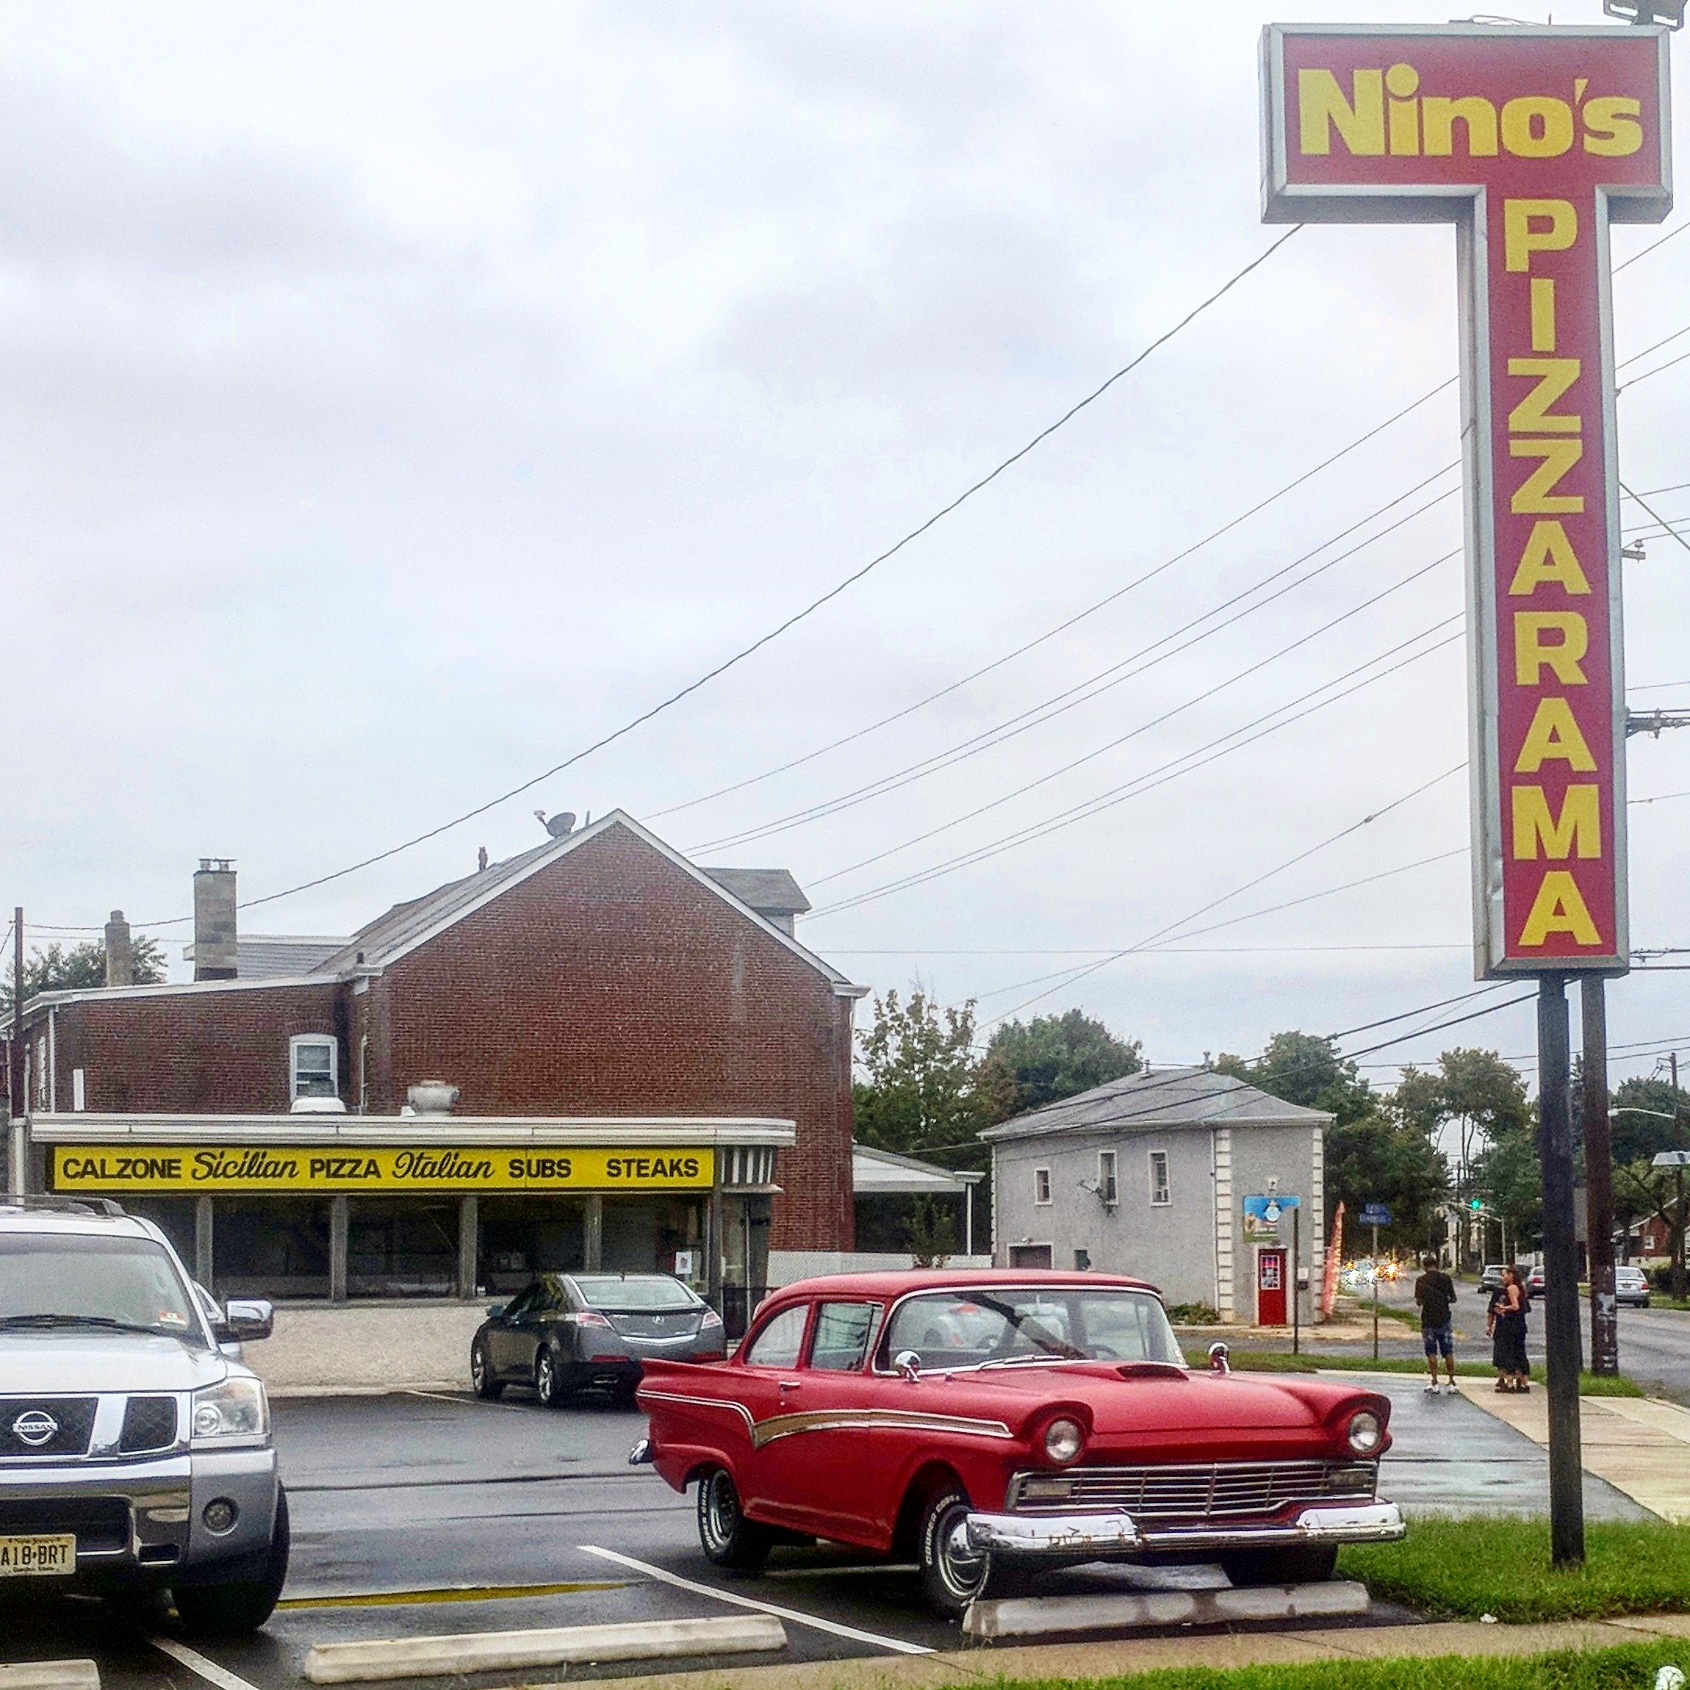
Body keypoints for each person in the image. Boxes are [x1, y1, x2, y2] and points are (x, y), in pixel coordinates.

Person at [1414, 1252, 1458, 1394]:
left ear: (1424, 1266)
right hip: (1444, 1319)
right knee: (1448, 1351)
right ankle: (1451, 1381)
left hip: (1428, 1320)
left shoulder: (1421, 1281)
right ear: (1436, 1265)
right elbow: (1453, 1298)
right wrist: (1443, 1300)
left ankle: (1434, 1381)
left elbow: (1418, 1301)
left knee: (1431, 1352)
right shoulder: (1446, 1279)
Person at [1488, 1265, 1530, 1392]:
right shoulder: (1521, 1288)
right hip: (1520, 1325)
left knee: (1509, 1353)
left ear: (1511, 1275)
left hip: (1511, 1325)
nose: (1503, 1278)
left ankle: (1510, 1383)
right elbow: (1523, 1307)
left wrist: (1503, 1308)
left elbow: (1515, 1306)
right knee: (1520, 1353)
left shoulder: (1511, 1288)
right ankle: (1524, 1383)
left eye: (1504, 1275)